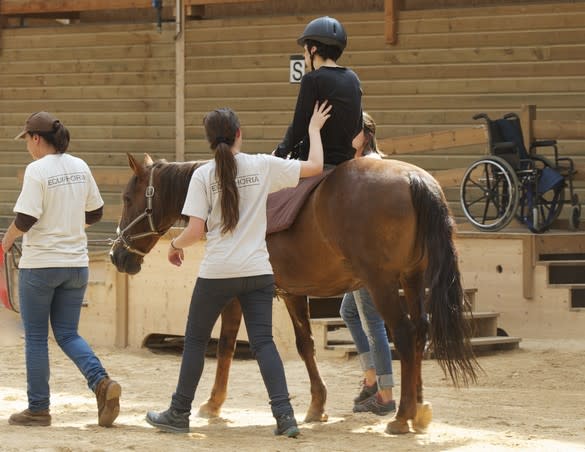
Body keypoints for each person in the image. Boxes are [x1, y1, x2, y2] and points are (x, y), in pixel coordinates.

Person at [145, 101, 332, 437]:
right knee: (264, 344)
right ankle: (285, 418)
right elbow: (316, 166)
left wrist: (174, 247)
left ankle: (178, 413)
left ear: (208, 140)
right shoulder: (261, 165)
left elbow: (195, 232)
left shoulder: (203, 175)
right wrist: (314, 131)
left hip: (217, 274)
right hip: (258, 272)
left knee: (195, 342)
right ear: (239, 135)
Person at [2, 111, 121, 427]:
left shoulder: (36, 170)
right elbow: (95, 212)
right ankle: (102, 382)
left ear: (36, 139)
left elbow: (25, 220)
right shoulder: (80, 166)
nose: (27, 146)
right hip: (75, 266)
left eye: (27, 139)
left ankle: (39, 409)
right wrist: (69, 223)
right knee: (68, 333)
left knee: (37, 338)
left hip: (41, 266)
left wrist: (5, 241)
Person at [339, 112, 396, 416]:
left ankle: (385, 396)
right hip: (381, 256)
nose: (347, 139)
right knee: (348, 311)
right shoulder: (380, 165)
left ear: (365, 135)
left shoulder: (363, 169)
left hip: (368, 258)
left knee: (373, 322)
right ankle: (372, 379)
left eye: (351, 133)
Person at [274, 16, 362, 166]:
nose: (304, 56)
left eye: (305, 50)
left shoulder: (312, 79)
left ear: (313, 49)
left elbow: (298, 127)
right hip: (345, 163)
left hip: (316, 162)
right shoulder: (353, 78)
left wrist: (279, 153)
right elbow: (358, 127)